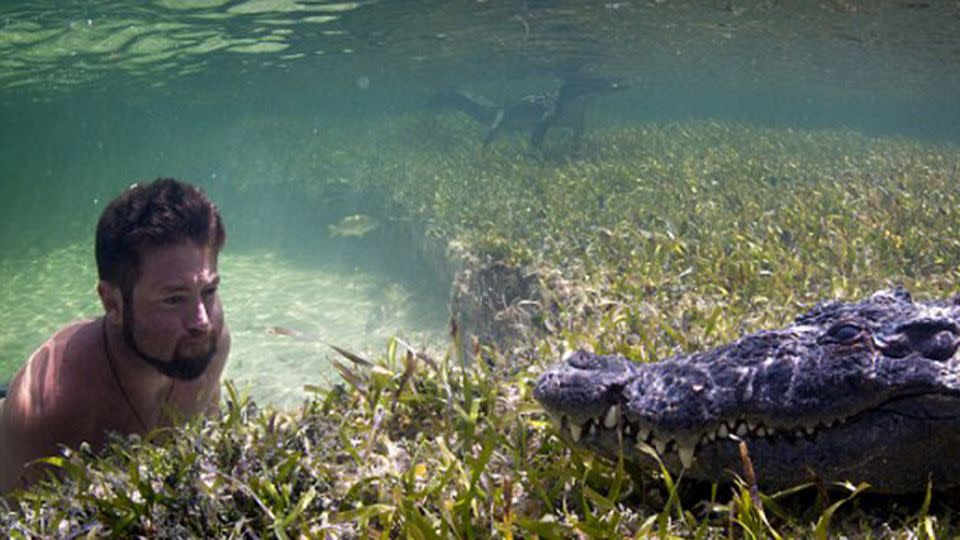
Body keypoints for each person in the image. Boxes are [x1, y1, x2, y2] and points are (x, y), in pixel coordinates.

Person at [0, 178, 231, 494]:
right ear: (113, 303)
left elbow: (204, 453)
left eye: (208, 291)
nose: (201, 322)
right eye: (174, 298)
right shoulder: (49, 410)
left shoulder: (209, 343)